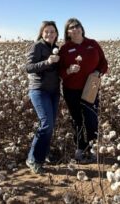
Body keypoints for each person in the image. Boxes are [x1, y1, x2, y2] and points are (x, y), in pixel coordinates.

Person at [59, 18, 108, 163]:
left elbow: (103, 63)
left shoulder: (92, 44)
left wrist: (98, 72)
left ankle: (93, 149)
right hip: (71, 89)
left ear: (82, 28)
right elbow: (59, 72)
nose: (75, 29)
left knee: (91, 118)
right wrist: (68, 70)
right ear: (67, 32)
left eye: (77, 26)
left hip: (90, 87)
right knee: (77, 120)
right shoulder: (65, 48)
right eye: (71, 27)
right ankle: (80, 147)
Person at [25, 21, 60, 174]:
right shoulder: (37, 46)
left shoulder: (56, 48)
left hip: (54, 91)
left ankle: (43, 153)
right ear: (42, 33)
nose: (50, 34)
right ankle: (33, 159)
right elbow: (29, 67)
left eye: (52, 31)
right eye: (47, 31)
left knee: (49, 124)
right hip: (39, 90)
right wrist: (47, 62)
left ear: (56, 33)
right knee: (46, 124)